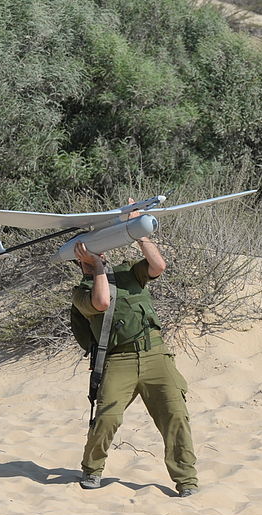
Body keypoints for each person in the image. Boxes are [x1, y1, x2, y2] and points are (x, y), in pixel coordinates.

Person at [71, 203, 198, 497]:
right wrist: (97, 267)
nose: (98, 256)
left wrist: (140, 232)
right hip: (120, 359)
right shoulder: (81, 292)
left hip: (155, 354)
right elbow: (101, 302)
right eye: (91, 255)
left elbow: (158, 266)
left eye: (100, 253)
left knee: (175, 415)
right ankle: (91, 470)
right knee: (108, 417)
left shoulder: (128, 274)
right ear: (80, 261)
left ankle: (186, 479)